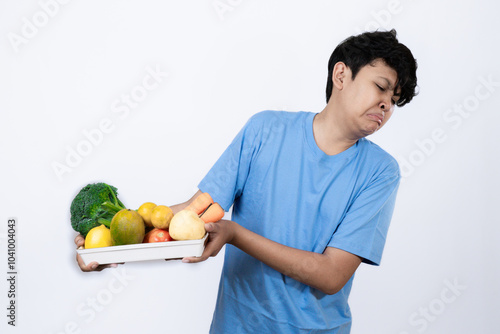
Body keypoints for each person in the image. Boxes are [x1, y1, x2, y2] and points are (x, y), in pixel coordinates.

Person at [76, 29, 417, 333]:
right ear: (341, 74)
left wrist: (235, 234)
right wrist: (114, 243)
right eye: (381, 87)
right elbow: (194, 214)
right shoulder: (264, 131)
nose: (386, 104)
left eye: (394, 100)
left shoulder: (380, 171)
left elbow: (330, 275)